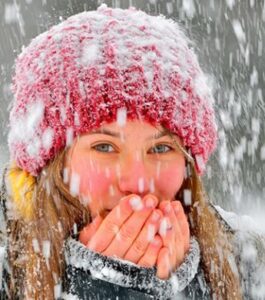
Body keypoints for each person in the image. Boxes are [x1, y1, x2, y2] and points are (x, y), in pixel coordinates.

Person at [0, 4, 264, 299]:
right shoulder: (7, 277)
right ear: (50, 167)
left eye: (161, 148)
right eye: (104, 147)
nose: (139, 182)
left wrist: (187, 288)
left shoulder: (250, 271)